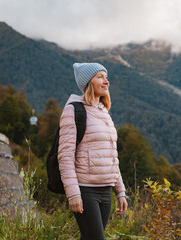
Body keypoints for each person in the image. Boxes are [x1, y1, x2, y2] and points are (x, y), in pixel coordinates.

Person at [58, 63, 127, 240]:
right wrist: (73, 193)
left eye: (106, 77)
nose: (106, 82)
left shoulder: (104, 112)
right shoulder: (73, 110)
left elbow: (111, 156)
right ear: (89, 82)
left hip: (106, 190)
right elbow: (65, 157)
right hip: (85, 190)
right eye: (100, 77)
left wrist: (120, 191)